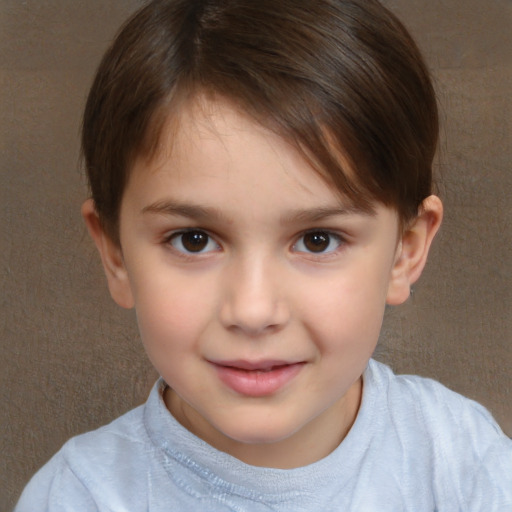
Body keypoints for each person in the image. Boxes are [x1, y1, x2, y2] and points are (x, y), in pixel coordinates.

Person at [15, 0, 512, 510]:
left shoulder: (461, 463)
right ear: (116, 252)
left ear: (405, 252)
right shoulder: (79, 496)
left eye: (318, 240)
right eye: (194, 239)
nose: (253, 311)